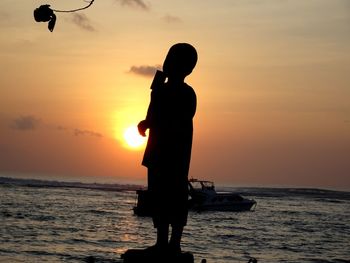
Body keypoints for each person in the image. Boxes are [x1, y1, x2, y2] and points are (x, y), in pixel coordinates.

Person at [138, 43, 198, 255]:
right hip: (157, 150)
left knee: (175, 194)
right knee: (157, 193)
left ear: (187, 68)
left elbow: (177, 118)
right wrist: (146, 121)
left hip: (175, 151)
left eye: (173, 60)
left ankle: (175, 242)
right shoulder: (160, 90)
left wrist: (154, 114)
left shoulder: (187, 93)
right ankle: (161, 241)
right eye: (168, 58)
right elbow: (153, 114)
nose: (167, 63)